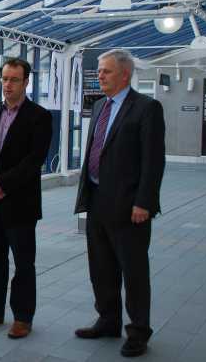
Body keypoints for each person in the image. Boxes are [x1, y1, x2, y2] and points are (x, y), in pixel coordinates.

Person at [74, 49, 165, 358]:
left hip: (130, 207)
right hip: (98, 200)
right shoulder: (99, 105)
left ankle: (138, 331)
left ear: (124, 74)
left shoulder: (147, 108)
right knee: (100, 267)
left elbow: (153, 162)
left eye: (106, 71)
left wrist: (144, 203)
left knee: (134, 271)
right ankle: (108, 320)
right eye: (99, 71)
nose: (99, 76)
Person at [0, 58, 52, 340]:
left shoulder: (39, 116)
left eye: (14, 79)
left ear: (26, 82)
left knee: (24, 263)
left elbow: (34, 160)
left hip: (20, 204)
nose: (7, 84)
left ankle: (22, 317)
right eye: (4, 79)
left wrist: (2, 183)